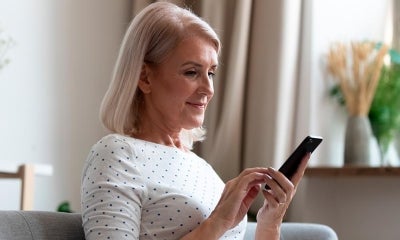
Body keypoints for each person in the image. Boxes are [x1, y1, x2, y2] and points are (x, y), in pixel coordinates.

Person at [81, 2, 310, 240]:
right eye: (191, 72)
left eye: (211, 73)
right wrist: (217, 223)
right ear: (145, 77)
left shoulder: (203, 170)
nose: (208, 89)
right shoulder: (117, 155)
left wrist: (270, 222)